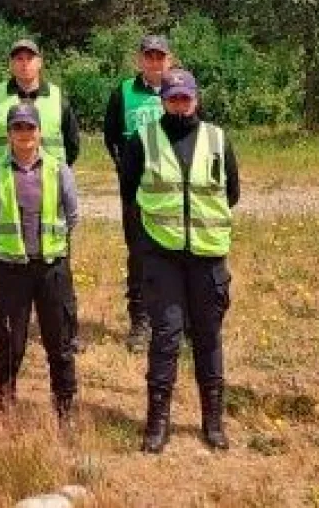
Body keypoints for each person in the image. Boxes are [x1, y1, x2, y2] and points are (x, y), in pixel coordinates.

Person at [118, 69, 239, 454]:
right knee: (166, 338)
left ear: (196, 99)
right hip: (163, 257)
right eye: (173, 98)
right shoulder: (143, 140)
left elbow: (231, 193)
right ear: (163, 101)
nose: (180, 104)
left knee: (207, 336)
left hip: (207, 255)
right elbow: (130, 192)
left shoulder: (218, 139)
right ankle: (157, 424)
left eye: (186, 98)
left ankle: (213, 423)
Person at [0, 102, 79, 426]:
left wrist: (53, 248)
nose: (24, 134)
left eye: (29, 127)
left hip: (51, 269)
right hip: (10, 270)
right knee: (9, 343)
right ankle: (3, 402)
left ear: (39, 131)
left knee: (59, 342)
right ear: (9, 133)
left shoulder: (59, 170)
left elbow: (72, 216)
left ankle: (64, 408)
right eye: (17, 127)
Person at [103, 34, 174, 353]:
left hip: (173, 190)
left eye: (160, 57)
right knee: (140, 255)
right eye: (149, 56)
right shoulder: (124, 92)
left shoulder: (181, 89)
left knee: (176, 253)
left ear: (169, 60)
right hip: (136, 190)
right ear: (140, 60)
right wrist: (125, 168)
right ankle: (140, 321)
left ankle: (175, 320)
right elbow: (111, 135)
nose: (154, 62)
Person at [0, 39, 80, 166]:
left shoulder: (57, 99)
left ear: (39, 63)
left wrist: (59, 173)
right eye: (19, 59)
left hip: (50, 178)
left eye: (29, 58)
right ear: (11, 64)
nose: (24, 64)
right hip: (3, 178)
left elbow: (72, 142)